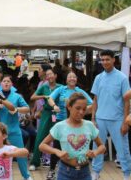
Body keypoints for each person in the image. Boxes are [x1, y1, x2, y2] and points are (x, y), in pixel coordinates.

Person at [40, 93, 106, 180]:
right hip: (65, 172)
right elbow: (42, 146)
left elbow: (102, 147)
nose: (81, 112)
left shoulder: (89, 125)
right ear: (69, 107)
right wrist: (56, 151)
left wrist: (95, 152)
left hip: (85, 173)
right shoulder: (60, 126)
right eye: (78, 108)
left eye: (84, 109)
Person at [91, 50, 131, 180]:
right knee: (97, 147)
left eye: (107, 59)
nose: (104, 62)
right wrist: (93, 119)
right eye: (102, 60)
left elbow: (127, 101)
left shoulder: (122, 78)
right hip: (100, 119)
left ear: (114, 60)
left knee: (123, 149)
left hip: (117, 119)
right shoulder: (98, 78)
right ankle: (96, 173)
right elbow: (95, 100)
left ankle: (126, 174)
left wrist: (125, 121)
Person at [45, 71, 93, 180]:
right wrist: (54, 106)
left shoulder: (80, 92)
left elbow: (92, 103)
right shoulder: (61, 89)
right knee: (57, 146)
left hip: (76, 123)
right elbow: (49, 98)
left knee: (77, 145)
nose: (72, 78)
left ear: (76, 79)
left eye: (74, 77)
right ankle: (52, 169)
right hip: (61, 121)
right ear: (66, 80)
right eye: (69, 77)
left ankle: (79, 168)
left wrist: (84, 111)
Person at [0, 75, 33, 180]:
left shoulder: (17, 96)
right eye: (4, 81)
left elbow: (27, 109)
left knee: (21, 154)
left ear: (12, 84)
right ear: (1, 84)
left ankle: (26, 176)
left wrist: (16, 109)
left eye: (8, 81)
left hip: (14, 130)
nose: (6, 83)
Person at [29, 69, 62, 171]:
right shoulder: (44, 86)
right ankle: (35, 162)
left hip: (57, 114)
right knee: (40, 136)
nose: (49, 77)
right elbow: (32, 97)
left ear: (55, 75)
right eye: (47, 75)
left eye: (51, 74)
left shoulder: (61, 87)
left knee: (59, 138)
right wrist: (43, 96)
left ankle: (60, 161)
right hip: (46, 113)